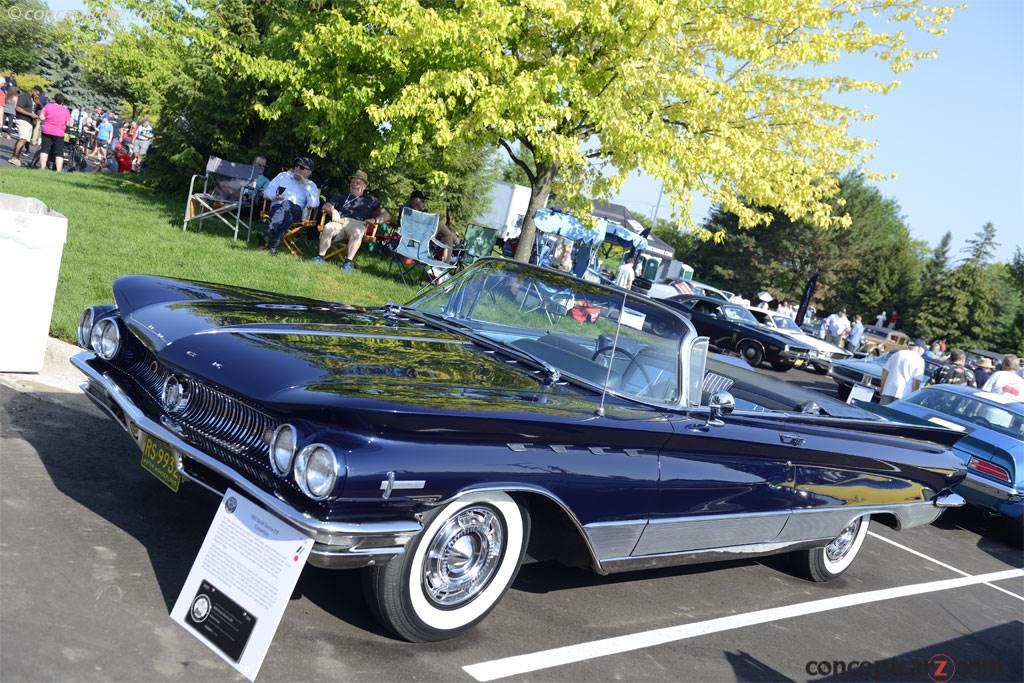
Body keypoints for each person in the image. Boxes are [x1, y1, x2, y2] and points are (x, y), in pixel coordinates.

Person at [314, 169, 389, 271]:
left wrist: (375, 220)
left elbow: (387, 215)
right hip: (340, 222)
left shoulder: (370, 200)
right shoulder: (340, 196)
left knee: (357, 232)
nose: (354, 185)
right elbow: (326, 206)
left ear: (365, 186)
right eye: (353, 182)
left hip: (358, 224)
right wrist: (333, 211)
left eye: (358, 183)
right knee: (328, 227)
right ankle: (320, 257)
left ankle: (348, 262)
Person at [263, 156, 320, 255]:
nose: (297, 168)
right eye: (297, 165)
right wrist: (275, 196)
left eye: (302, 167)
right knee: (287, 216)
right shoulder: (283, 176)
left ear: (309, 172)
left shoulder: (311, 185)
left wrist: (305, 184)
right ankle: (272, 245)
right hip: (277, 207)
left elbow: (314, 204)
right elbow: (267, 193)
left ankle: (270, 230)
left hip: (297, 211)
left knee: (287, 204)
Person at [879, 338, 927, 405]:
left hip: (888, 390)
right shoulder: (920, 360)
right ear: (919, 348)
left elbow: (885, 372)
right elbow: (916, 381)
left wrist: (882, 388)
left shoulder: (897, 354)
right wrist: (914, 397)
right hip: (904, 394)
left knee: (880, 412)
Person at [37, 93, 71, 172]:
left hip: (47, 131)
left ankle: (42, 168)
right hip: (59, 133)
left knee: (44, 150)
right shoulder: (66, 110)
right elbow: (69, 123)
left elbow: (41, 117)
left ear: (54, 99)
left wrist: (46, 119)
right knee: (59, 152)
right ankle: (58, 171)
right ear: (62, 102)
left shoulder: (48, 106)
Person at [7, 86, 37, 165]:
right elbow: (17, 108)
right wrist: (30, 114)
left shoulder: (32, 99)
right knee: (23, 139)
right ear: (33, 90)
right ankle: (15, 158)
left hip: (29, 121)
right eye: (37, 93)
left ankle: (15, 157)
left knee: (23, 140)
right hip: (23, 120)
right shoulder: (24, 96)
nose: (38, 95)